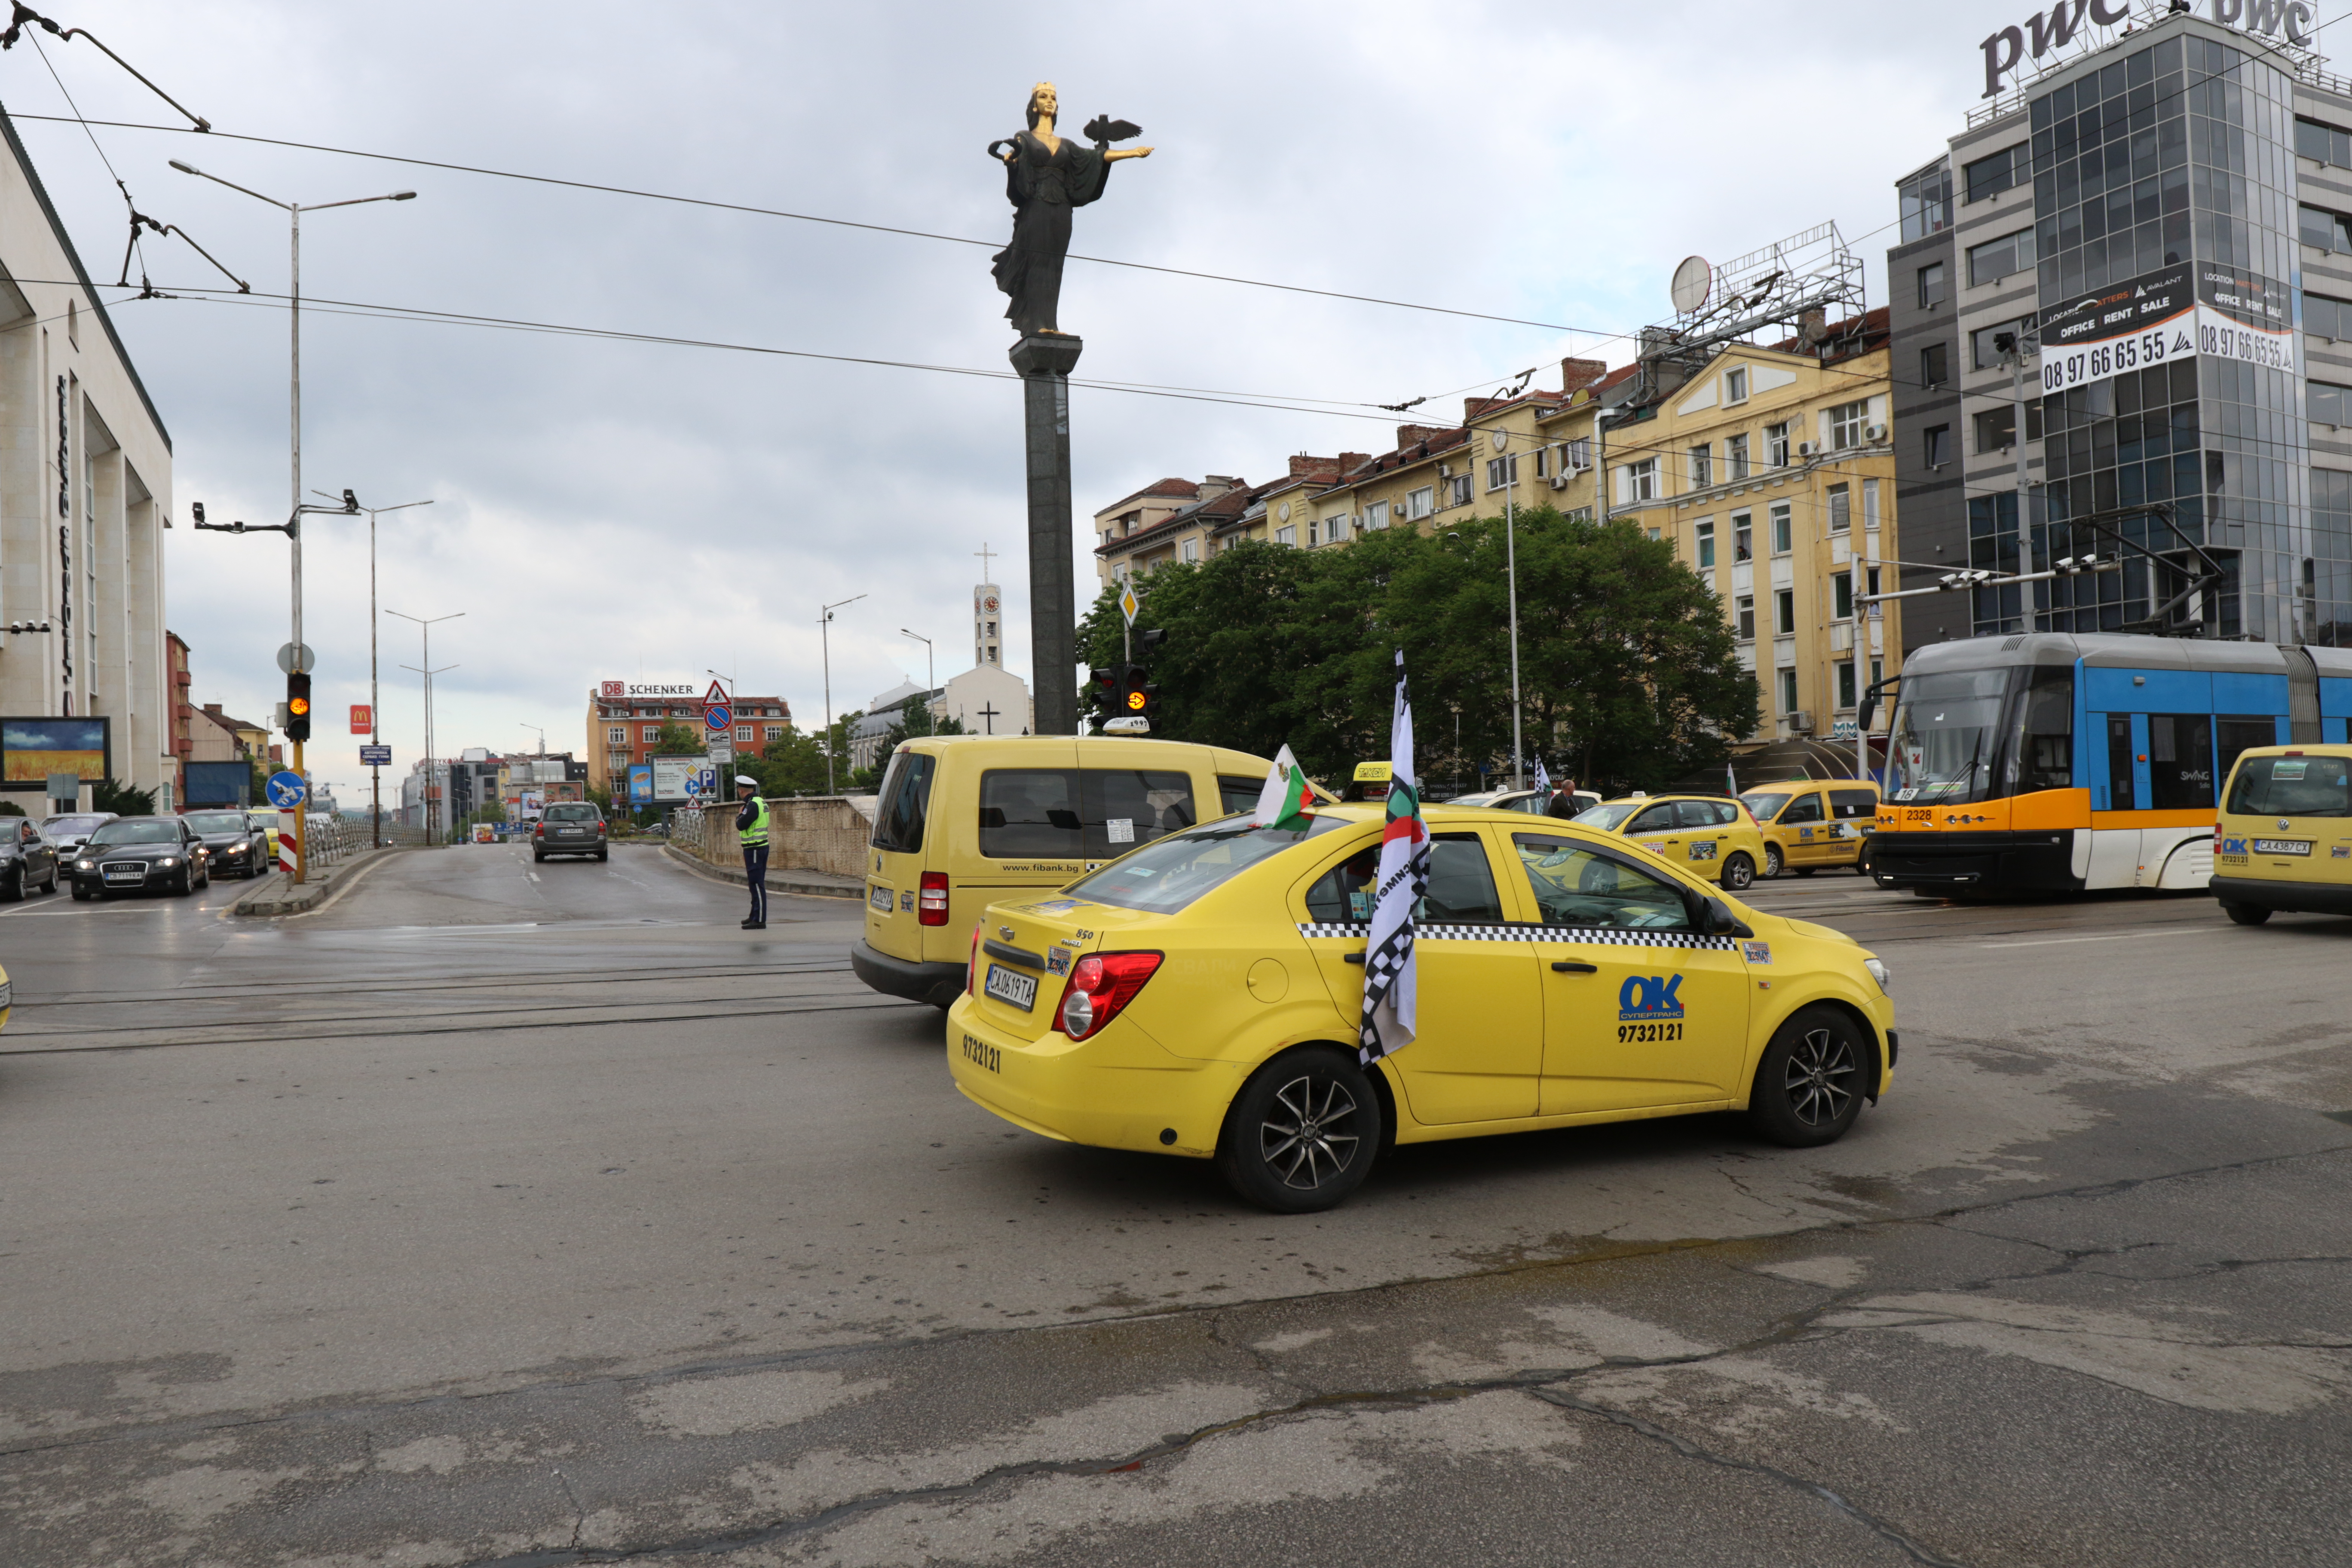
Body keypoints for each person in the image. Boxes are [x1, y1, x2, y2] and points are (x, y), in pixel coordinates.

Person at [735, 775, 769, 929]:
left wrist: (739, 814)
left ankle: (760, 920)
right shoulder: (759, 801)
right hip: (758, 847)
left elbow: (741, 825)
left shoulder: (752, 805)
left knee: (756, 884)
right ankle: (754, 915)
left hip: (755, 848)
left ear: (741, 790)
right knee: (753, 883)